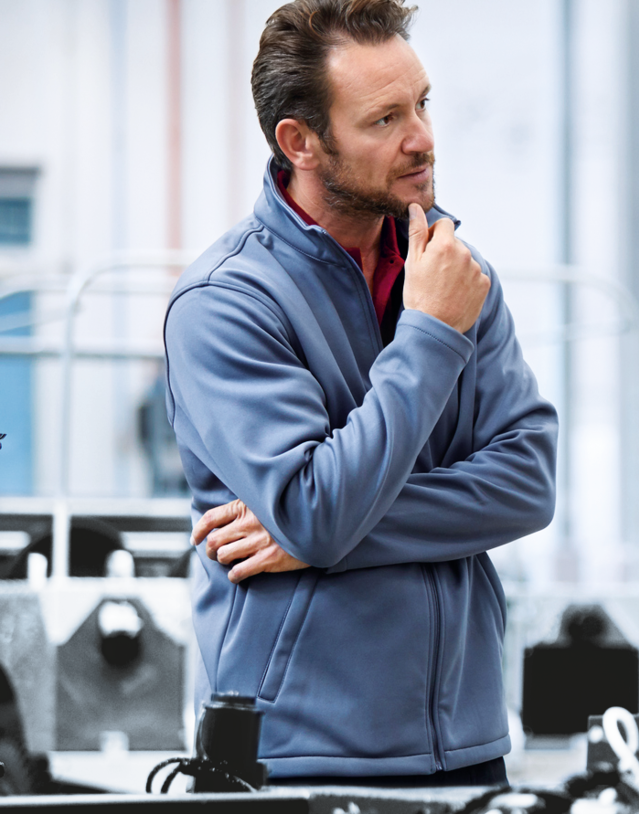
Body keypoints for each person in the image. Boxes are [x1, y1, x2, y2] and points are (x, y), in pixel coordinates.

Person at [164, 0, 556, 786]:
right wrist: (430, 336)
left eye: (422, 103)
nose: (422, 137)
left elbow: (527, 485)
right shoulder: (225, 303)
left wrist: (312, 537)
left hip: (470, 746)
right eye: (384, 118)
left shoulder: (450, 270)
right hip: (301, 754)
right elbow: (316, 507)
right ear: (300, 142)